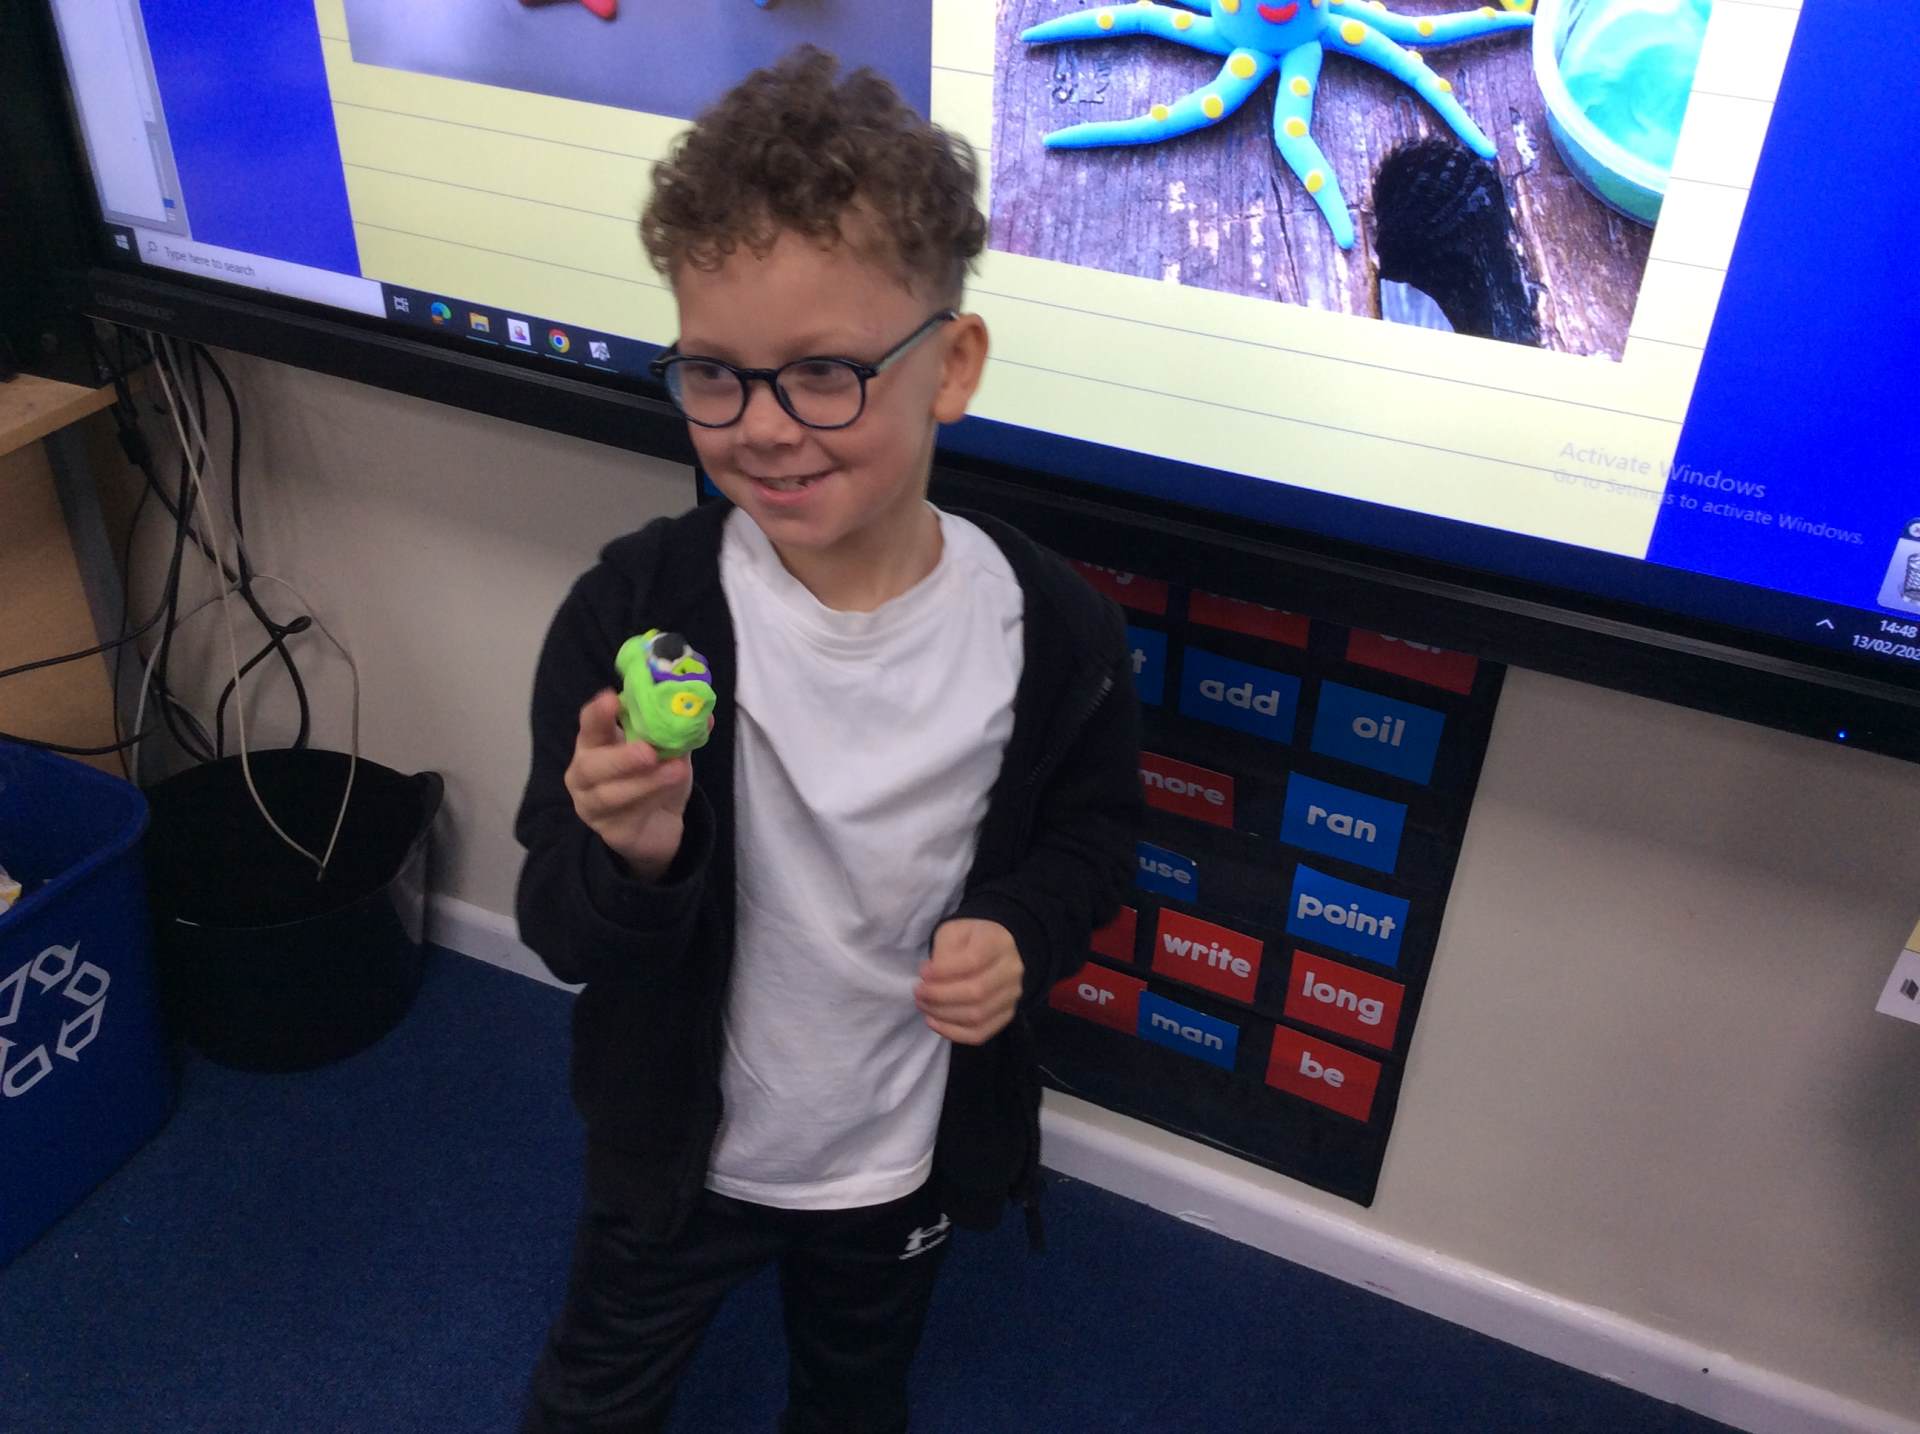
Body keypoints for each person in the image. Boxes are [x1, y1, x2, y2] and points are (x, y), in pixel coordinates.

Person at [513, 46, 1141, 1434]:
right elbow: (560, 928)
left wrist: (1020, 931)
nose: (762, 429)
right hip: (679, 1153)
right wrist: (634, 855)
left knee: (855, 1398)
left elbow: (1097, 840)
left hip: (896, 1159)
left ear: (951, 366)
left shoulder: (1053, 633)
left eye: (823, 373)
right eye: (714, 374)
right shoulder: (634, 612)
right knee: (594, 1394)